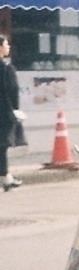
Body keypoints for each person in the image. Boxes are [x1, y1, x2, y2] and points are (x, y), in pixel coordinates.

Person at [0, 35, 23, 191]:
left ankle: (7, 177)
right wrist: (15, 109)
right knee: (2, 146)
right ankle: (6, 177)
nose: (8, 47)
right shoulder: (6, 69)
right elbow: (12, 90)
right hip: (4, 113)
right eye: (6, 44)